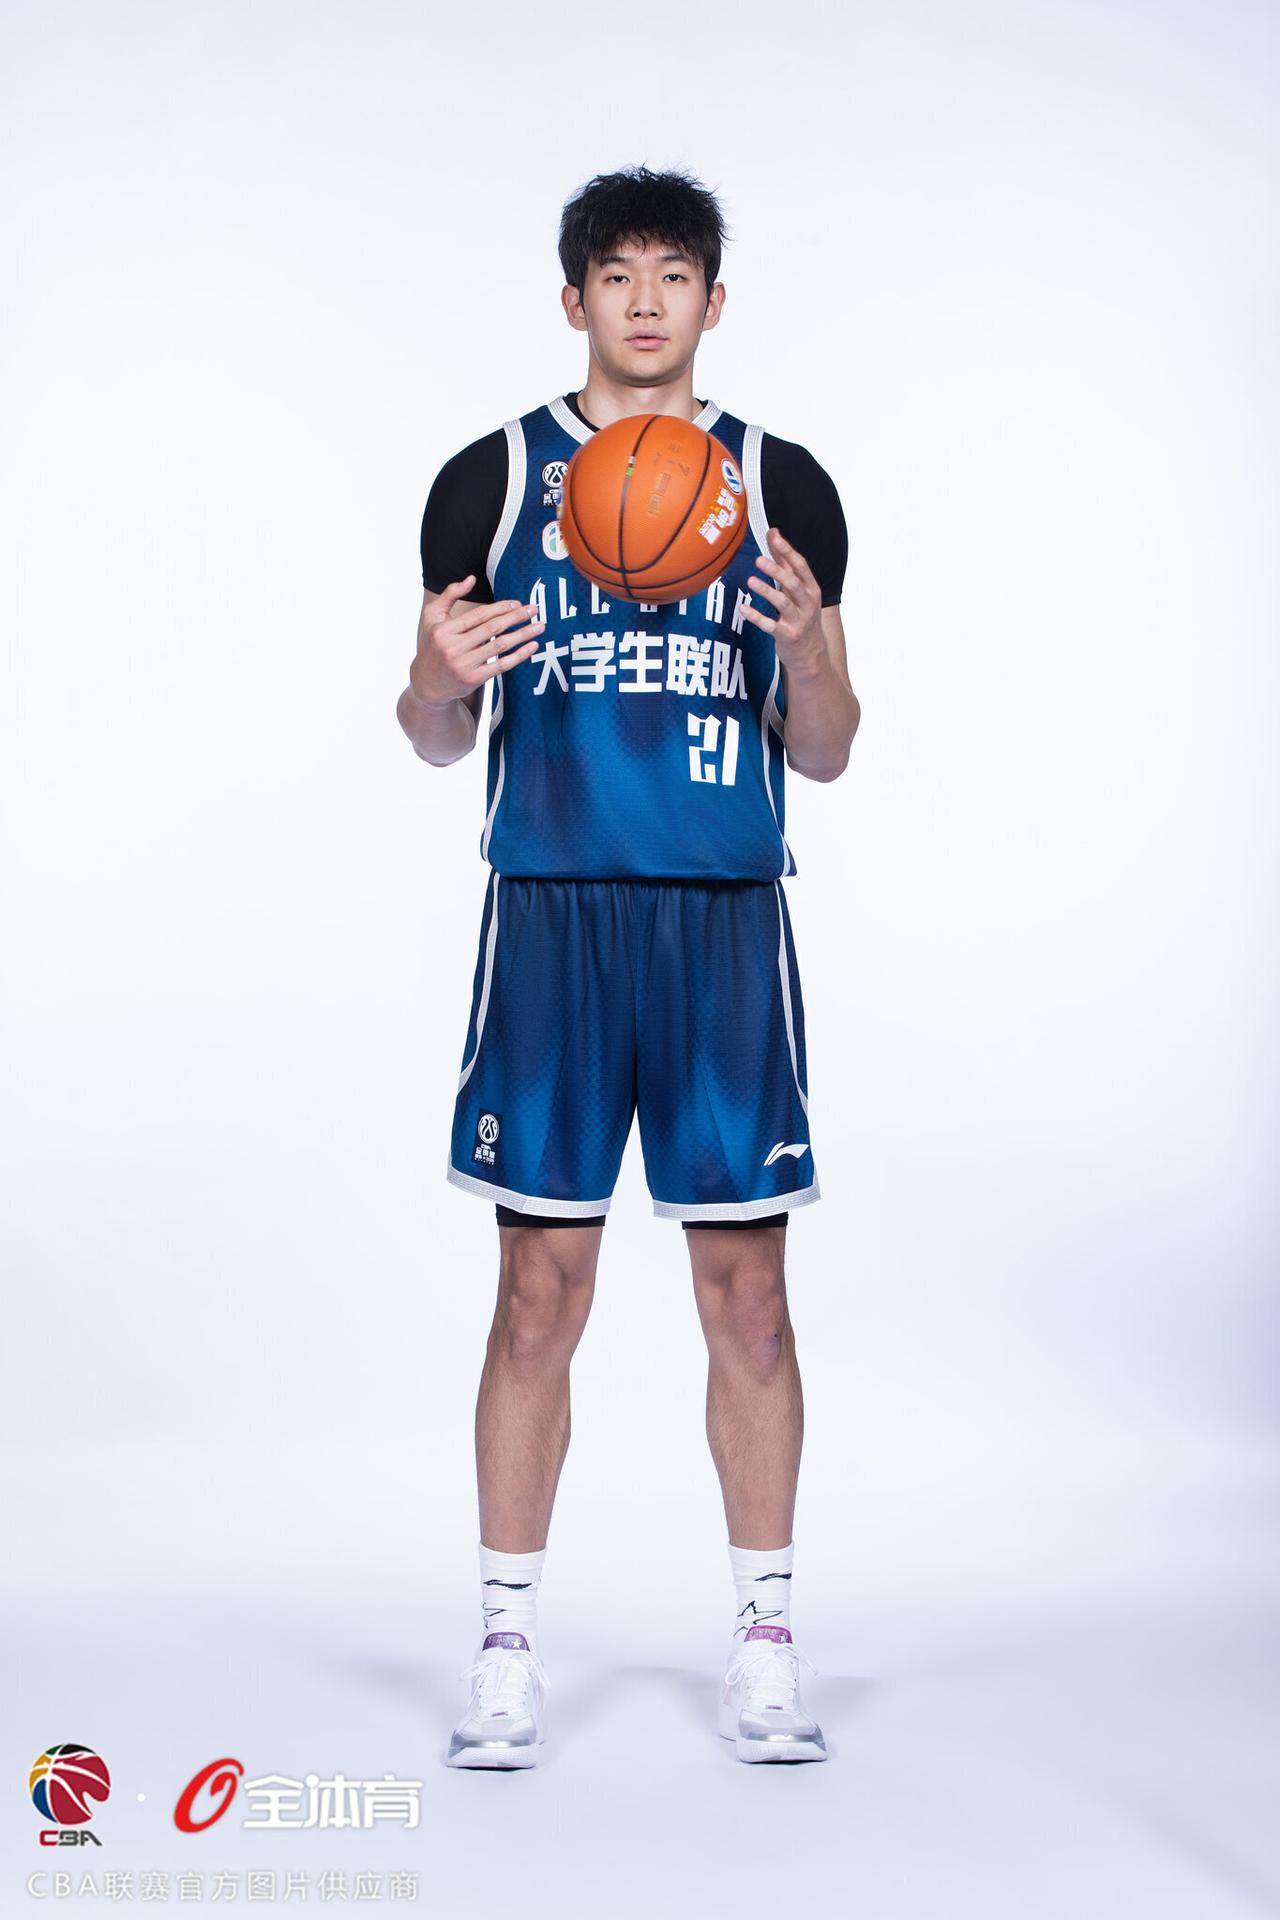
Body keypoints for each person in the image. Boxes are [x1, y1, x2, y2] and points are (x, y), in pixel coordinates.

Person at [397, 165, 860, 1767]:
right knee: (538, 1291)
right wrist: (429, 680)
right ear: (574, 298)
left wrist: (807, 655)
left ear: (714, 303)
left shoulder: (781, 484)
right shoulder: (492, 481)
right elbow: (434, 733)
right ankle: (505, 1647)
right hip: (554, 914)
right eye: (617, 274)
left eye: (674, 274)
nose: (646, 300)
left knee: (749, 1296)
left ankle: (767, 1641)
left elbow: (830, 749)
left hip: (722, 921)